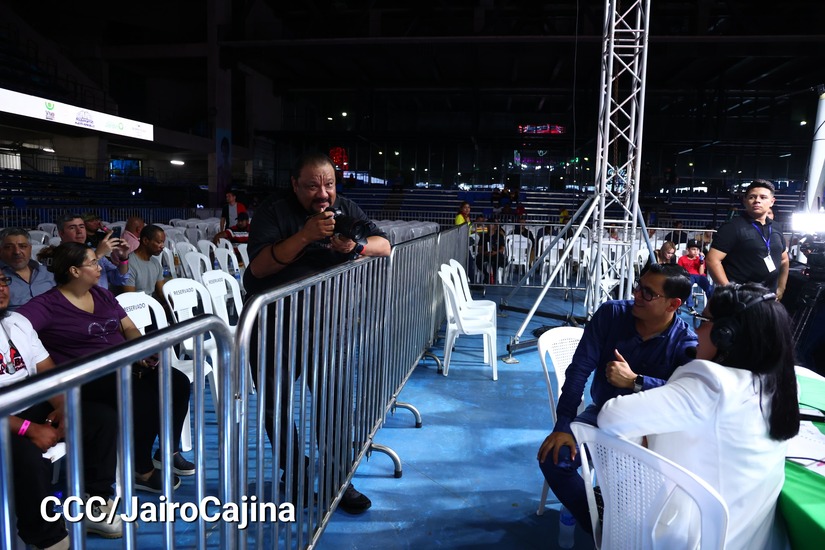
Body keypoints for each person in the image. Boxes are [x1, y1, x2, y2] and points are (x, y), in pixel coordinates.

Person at [598, 283, 799, 549]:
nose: (695, 331)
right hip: (751, 538)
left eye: (703, 321)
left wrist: (648, 434)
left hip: (695, 538)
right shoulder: (777, 382)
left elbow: (611, 416)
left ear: (725, 335)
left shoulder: (712, 383)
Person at [244, 152, 391, 514]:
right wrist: (305, 236)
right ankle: (293, 471)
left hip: (329, 328)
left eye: (329, 184)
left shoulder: (346, 208)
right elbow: (258, 268)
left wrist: (356, 246)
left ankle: (341, 478)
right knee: (276, 405)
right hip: (275, 327)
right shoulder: (273, 211)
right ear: (295, 185)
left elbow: (384, 245)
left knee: (334, 405)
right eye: (312, 186)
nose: (323, 194)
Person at [18, 243, 195, 493]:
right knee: (143, 397)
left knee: (177, 382)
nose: (99, 267)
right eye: (92, 263)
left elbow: (129, 327)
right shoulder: (47, 305)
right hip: (86, 377)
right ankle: (140, 467)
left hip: (122, 365)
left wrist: (140, 350)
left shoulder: (102, 295)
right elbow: (15, 328)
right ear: (74, 271)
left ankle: (168, 450)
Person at [536, 263, 697, 532]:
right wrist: (564, 424)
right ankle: (603, 529)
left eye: (648, 293)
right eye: (638, 286)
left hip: (653, 429)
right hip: (602, 415)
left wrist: (636, 381)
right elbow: (579, 370)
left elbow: (687, 395)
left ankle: (626, 524)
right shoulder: (611, 314)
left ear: (673, 304)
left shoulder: (685, 343)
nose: (636, 294)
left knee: (661, 483)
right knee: (553, 459)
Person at [1, 274, 121, 546]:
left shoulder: (17, 323)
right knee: (27, 455)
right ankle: (45, 536)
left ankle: (94, 503)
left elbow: (48, 372)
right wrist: (29, 429)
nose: (1, 289)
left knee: (101, 419)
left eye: (2, 282)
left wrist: (63, 406)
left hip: (29, 405)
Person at [706, 180, 789, 300]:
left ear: (772, 201)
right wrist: (729, 292)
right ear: (745, 201)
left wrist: (781, 287)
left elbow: (784, 259)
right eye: (752, 197)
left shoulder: (776, 227)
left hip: (769, 297)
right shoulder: (732, 227)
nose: (757, 200)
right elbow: (712, 260)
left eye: (763, 197)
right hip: (741, 298)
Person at [58, 214, 130, 293]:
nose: (79, 231)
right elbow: (73, 284)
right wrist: (97, 255)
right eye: (72, 228)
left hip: (102, 299)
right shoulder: (56, 255)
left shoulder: (94, 251)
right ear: (61, 233)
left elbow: (119, 279)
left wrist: (123, 258)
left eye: (81, 227)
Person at [0, 228, 56, 310]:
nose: (17, 252)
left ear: (30, 248)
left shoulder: (47, 272)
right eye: (9, 247)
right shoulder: (2, 275)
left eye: (22, 246)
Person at [123, 225, 166, 299]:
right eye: (159, 242)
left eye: (163, 242)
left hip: (151, 304)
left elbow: (162, 293)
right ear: (145, 240)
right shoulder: (128, 265)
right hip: (137, 304)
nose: (162, 246)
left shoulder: (155, 263)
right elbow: (130, 299)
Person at [677, 239, 713, 314]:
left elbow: (701, 272)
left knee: (708, 287)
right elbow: (679, 270)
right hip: (688, 275)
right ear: (688, 249)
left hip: (699, 276)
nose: (696, 251)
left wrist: (701, 262)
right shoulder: (682, 259)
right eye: (693, 249)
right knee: (688, 286)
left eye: (697, 249)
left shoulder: (699, 259)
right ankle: (690, 306)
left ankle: (712, 304)